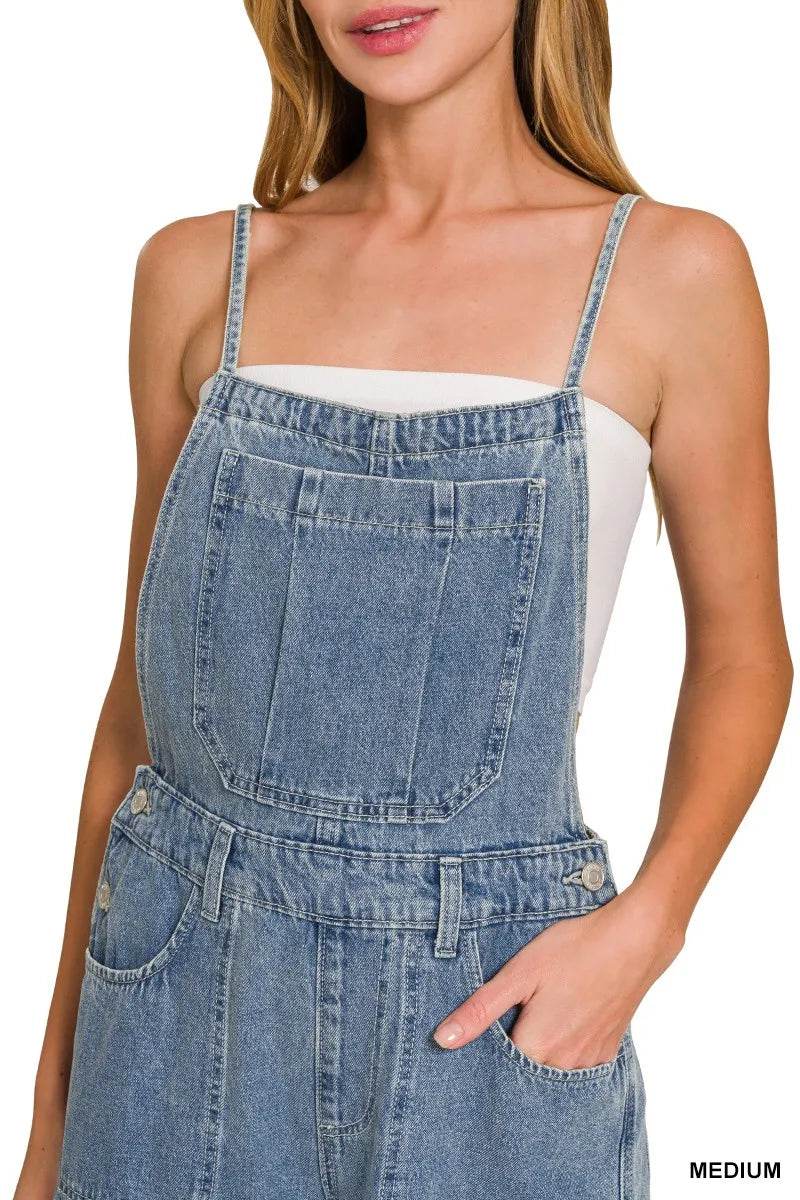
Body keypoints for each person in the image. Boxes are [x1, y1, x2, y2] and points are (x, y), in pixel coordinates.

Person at [15, 3, 793, 1199]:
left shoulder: (669, 272)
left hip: (487, 1012)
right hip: (175, 1014)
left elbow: (743, 653)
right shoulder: (198, 273)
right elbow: (138, 715)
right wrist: (49, 1122)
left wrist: (649, 925)